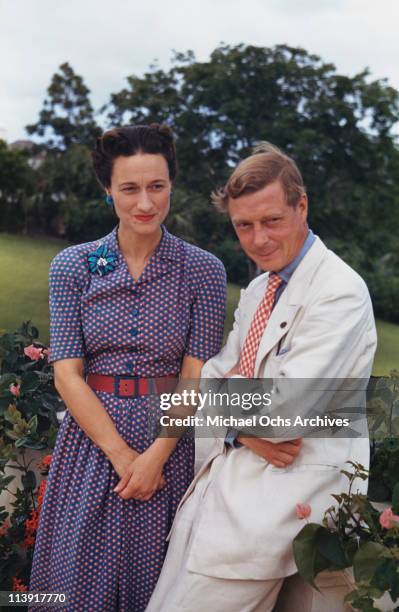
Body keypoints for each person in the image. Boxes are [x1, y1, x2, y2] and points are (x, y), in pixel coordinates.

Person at [147, 142, 377, 612]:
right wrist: (241, 431)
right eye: (243, 226)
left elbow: (284, 411)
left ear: (302, 205)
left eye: (271, 220)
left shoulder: (339, 293)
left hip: (285, 500)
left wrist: (230, 410)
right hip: (233, 490)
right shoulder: (259, 289)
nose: (258, 239)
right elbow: (211, 378)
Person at [29, 124, 229, 611]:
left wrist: (154, 457)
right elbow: (66, 373)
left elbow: (194, 375)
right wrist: (121, 455)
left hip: (168, 448)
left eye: (156, 186)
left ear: (171, 186)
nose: (145, 203)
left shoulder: (203, 270)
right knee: (75, 587)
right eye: (130, 189)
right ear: (108, 190)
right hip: (92, 443)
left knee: (156, 587)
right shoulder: (73, 266)